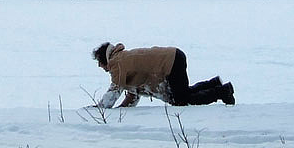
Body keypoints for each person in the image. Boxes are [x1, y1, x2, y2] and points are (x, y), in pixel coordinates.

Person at [91, 41, 235, 108]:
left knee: (182, 101)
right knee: (182, 94)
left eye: (99, 62)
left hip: (171, 61)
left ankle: (222, 92)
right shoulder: (122, 59)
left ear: (105, 58)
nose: (99, 66)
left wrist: (101, 109)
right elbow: (132, 94)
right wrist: (123, 109)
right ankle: (215, 84)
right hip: (174, 57)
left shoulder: (117, 62)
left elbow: (116, 88)